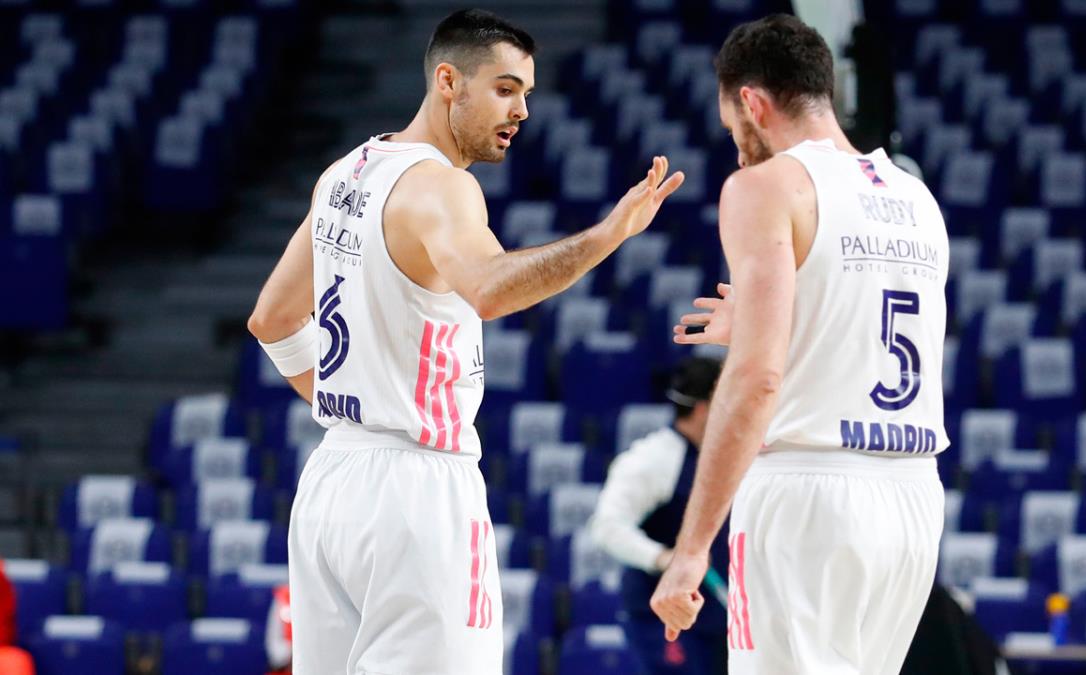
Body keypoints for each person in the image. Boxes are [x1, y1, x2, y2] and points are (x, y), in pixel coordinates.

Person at [246, 9, 684, 674]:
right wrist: (608, 235)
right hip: (417, 488)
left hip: (332, 477)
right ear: (448, 81)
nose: (521, 111)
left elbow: (273, 318)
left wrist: (360, 404)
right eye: (505, 89)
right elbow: (489, 289)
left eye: (527, 93)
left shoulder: (345, 172)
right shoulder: (443, 186)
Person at [650, 14, 948, 675]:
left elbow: (756, 378)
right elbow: (871, 336)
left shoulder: (765, 186)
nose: (738, 152)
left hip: (809, 492)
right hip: (913, 494)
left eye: (735, 129)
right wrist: (771, 320)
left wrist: (692, 549)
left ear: (752, 103)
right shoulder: (916, 199)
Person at [590, 357, 727, 675]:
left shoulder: (731, 455)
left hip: (721, 617)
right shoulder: (653, 459)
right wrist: (664, 558)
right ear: (704, 409)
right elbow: (607, 526)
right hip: (666, 620)